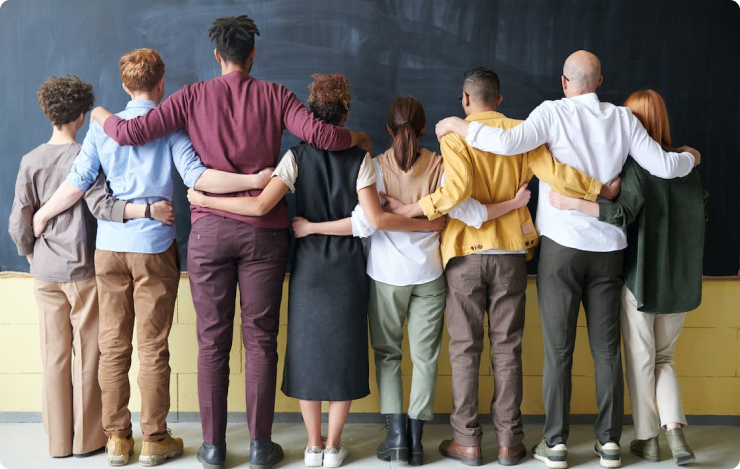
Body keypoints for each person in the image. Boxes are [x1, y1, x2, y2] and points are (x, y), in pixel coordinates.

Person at [91, 15, 373, 469]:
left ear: (217, 56)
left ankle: (213, 447)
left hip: (209, 233)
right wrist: (357, 137)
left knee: (212, 342)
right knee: (261, 340)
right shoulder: (276, 95)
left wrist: (101, 113)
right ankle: (261, 446)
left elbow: (131, 133)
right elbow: (322, 136)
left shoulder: (191, 96)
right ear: (253, 54)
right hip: (264, 235)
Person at [435, 51, 700, 469]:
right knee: (607, 351)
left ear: (564, 82)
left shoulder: (551, 114)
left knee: (558, 351)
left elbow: (504, 142)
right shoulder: (622, 119)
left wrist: (455, 125)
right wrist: (692, 157)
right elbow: (666, 167)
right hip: (610, 249)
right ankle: (609, 444)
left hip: (560, 247)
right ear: (598, 82)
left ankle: (555, 444)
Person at [187, 74, 444, 468]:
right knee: (343, 353)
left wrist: (205, 198)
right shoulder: (360, 158)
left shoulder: (295, 157)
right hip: (347, 267)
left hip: (307, 267)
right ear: (345, 113)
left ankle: (312, 445)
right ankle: (334, 445)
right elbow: (371, 218)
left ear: (310, 114)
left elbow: (258, 207)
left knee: (306, 352)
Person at [32, 49, 272, 467]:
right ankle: (154, 438)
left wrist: (43, 213)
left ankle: (116, 440)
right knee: (152, 346)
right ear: (162, 84)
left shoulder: (102, 130)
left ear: (126, 85)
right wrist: (253, 181)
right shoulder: (172, 129)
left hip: (109, 247)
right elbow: (198, 177)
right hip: (155, 247)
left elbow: (76, 184)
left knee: (112, 345)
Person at [384, 67, 612, 467]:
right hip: (510, 253)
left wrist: (412, 209)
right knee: (508, 349)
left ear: (466, 99)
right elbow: (555, 175)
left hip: (465, 255)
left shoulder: (454, 135)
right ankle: (510, 443)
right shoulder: (522, 132)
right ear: (500, 100)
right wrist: (598, 190)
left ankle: (467, 442)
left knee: (464, 350)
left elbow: (454, 193)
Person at [294, 95, 500, 466]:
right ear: (424, 129)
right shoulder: (440, 164)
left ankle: (396, 439)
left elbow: (362, 224)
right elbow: (459, 213)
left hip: (386, 276)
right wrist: (430, 222)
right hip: (430, 274)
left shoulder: (373, 166)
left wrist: (312, 227)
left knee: (388, 356)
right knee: (426, 358)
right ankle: (417, 442)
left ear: (388, 130)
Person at [8, 75, 171, 459]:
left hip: (45, 271)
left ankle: (58, 441)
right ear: (82, 116)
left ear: (48, 114)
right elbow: (101, 205)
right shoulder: (89, 152)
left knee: (53, 356)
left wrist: (30, 252)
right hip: (82, 269)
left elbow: (20, 220)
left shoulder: (30, 160)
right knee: (91, 354)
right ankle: (88, 440)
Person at [549, 90, 704, 466]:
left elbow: (622, 214)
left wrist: (575, 203)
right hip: (681, 285)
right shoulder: (686, 167)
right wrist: (693, 154)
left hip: (640, 283)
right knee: (665, 359)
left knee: (641, 361)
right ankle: (676, 434)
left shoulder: (636, 168)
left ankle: (649, 440)